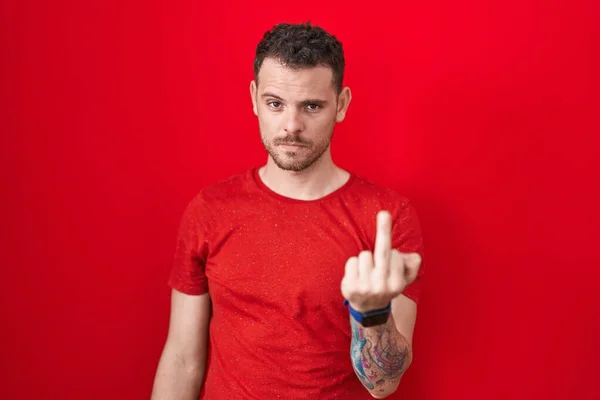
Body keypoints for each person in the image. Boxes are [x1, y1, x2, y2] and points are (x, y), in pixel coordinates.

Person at [150, 21, 425, 400]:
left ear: (341, 104)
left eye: (312, 106)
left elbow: (383, 385)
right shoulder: (210, 209)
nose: (291, 126)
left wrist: (371, 314)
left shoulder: (387, 217)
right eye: (275, 104)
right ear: (254, 98)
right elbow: (182, 358)